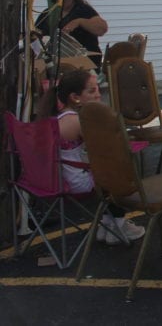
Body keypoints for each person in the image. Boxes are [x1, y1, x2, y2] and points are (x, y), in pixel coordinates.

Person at [39, 69, 146, 245]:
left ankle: (108, 223)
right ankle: (118, 225)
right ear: (75, 97)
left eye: (98, 89)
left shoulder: (60, 117)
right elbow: (110, 148)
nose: (98, 95)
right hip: (77, 182)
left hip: (60, 177)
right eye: (92, 91)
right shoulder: (79, 121)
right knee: (117, 169)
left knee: (109, 168)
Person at [34, 0, 108, 68]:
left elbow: (101, 29)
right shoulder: (47, 13)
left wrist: (80, 22)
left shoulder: (84, 10)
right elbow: (34, 37)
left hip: (84, 64)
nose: (61, 1)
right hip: (54, 65)